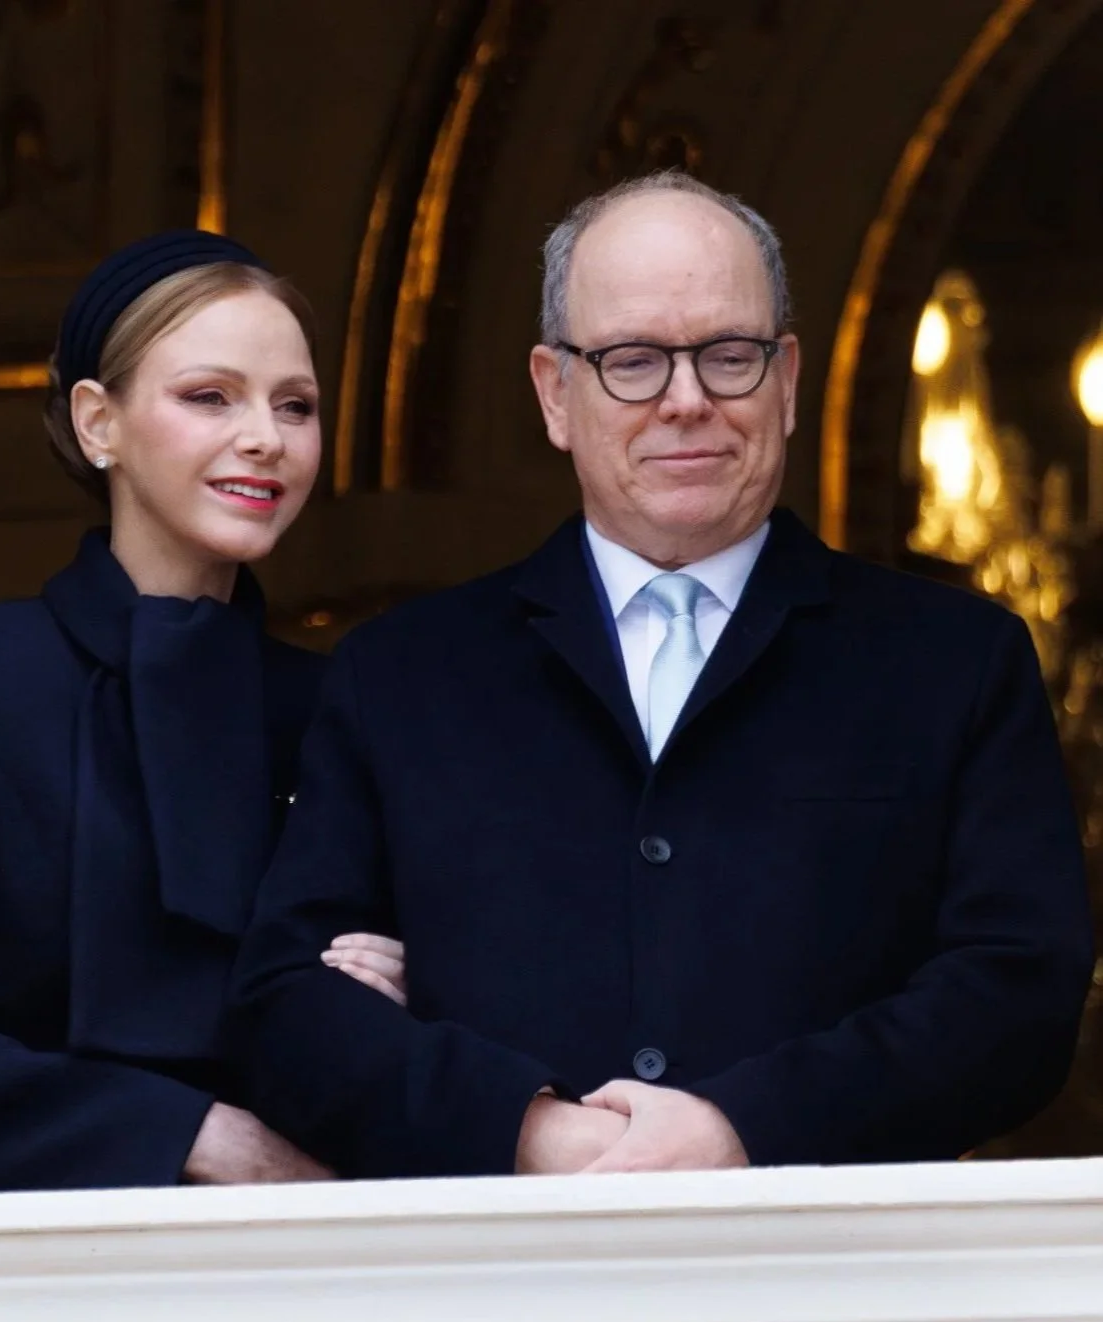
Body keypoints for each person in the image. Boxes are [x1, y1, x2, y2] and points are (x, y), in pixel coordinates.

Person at [230, 172, 1096, 1178]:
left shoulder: (952, 659)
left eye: (729, 356)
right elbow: (284, 1007)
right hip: (502, 1297)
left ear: (786, 380)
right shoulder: (400, 673)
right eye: (632, 361)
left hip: (840, 1292)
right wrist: (533, 1130)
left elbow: (1018, 995)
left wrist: (739, 1129)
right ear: (556, 392)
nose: (686, 401)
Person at [0, 230, 404, 1193]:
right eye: (210, 396)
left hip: (306, 1292)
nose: (266, 436)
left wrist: (395, 1007)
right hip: (30, 1303)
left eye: (297, 406)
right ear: (97, 423)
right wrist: (197, 1136)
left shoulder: (348, 704)